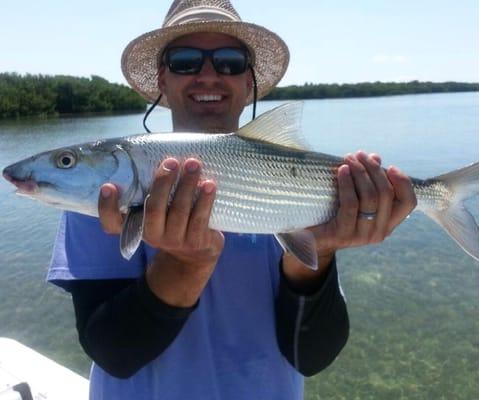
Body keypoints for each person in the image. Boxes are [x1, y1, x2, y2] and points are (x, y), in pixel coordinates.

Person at [47, 1, 417, 399]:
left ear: (249, 82)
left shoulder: (294, 193)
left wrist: (317, 255)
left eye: (229, 61)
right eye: (185, 60)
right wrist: (185, 266)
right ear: (162, 80)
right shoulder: (102, 201)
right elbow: (114, 353)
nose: (208, 75)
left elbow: (311, 355)